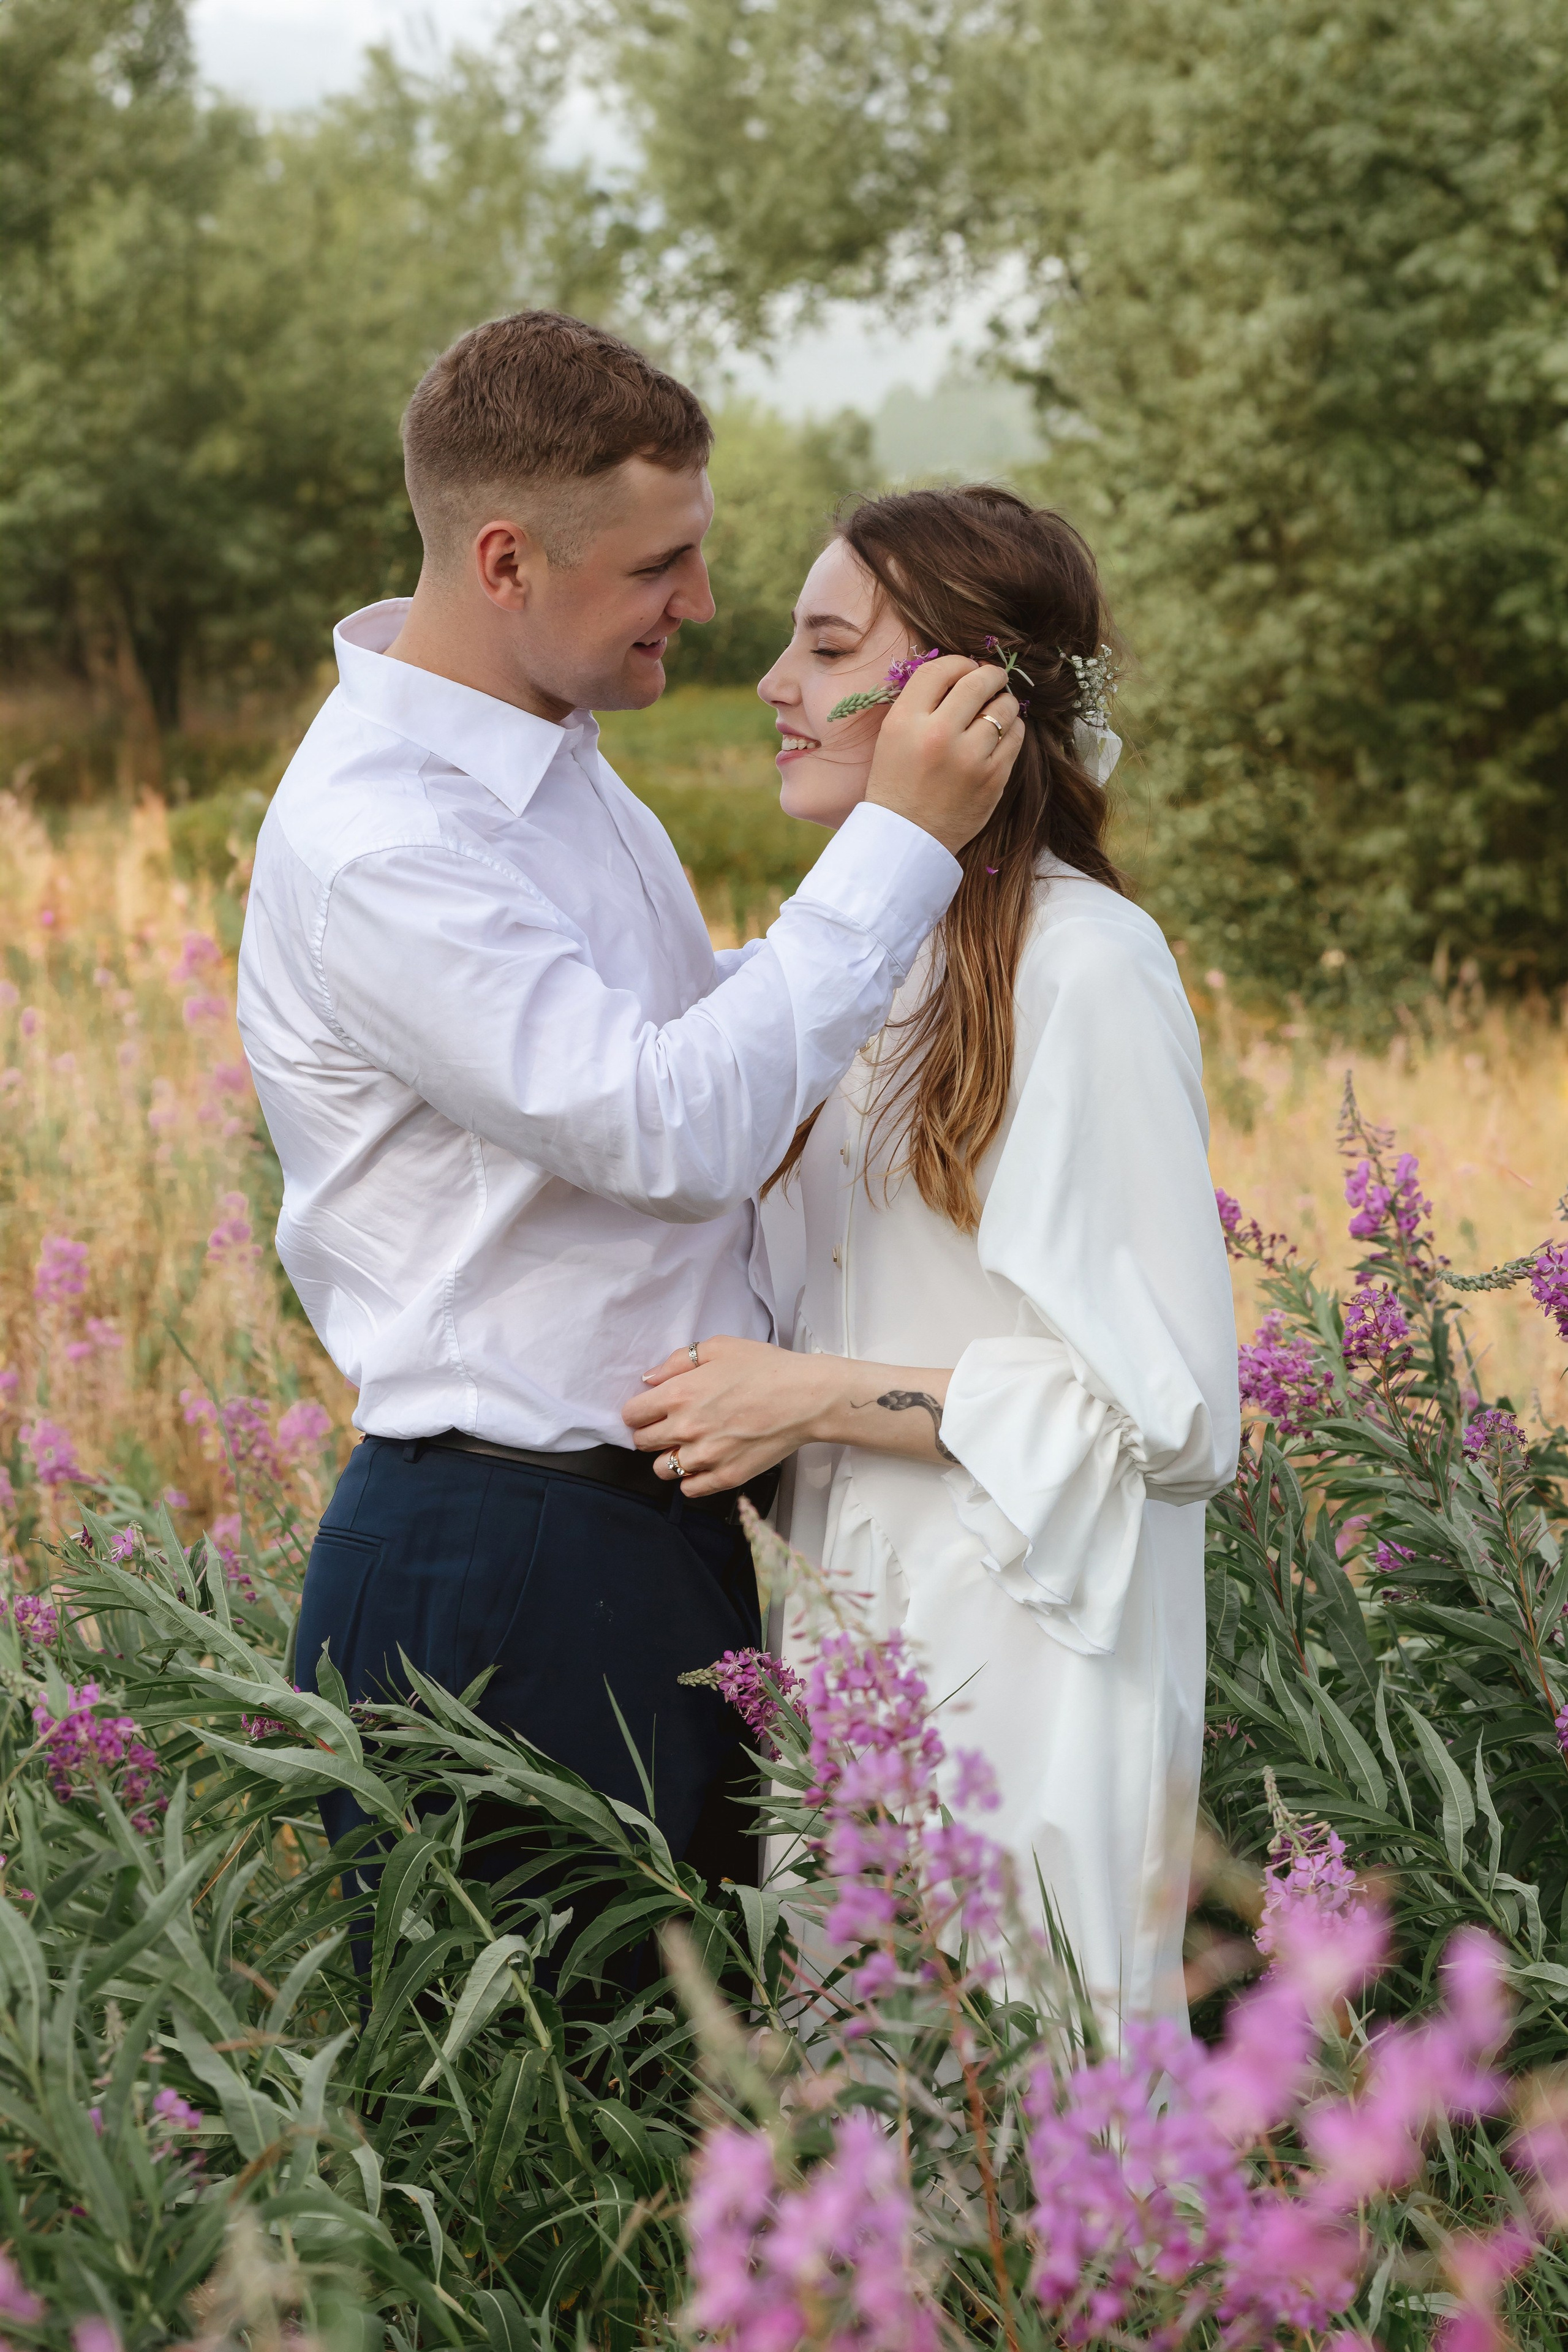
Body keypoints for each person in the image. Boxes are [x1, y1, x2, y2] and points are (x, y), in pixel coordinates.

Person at [236, 314, 1023, 1891]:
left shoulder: (553, 757)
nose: (703, 602)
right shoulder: (392, 843)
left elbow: (679, 1031)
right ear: (507, 562)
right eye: (660, 564)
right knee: (556, 2046)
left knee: (688, 2043)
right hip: (503, 1565)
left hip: (631, 1538)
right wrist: (899, 849)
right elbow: (673, 1127)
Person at [624, 486, 1240, 2021]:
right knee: (871, 2097)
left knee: (1030, 2087)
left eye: (826, 647)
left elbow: (1172, 1423)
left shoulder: (1085, 965)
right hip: (855, 1637)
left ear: (963, 696)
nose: (773, 682)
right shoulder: (849, 963)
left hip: (1035, 1657)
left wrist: (809, 1399)